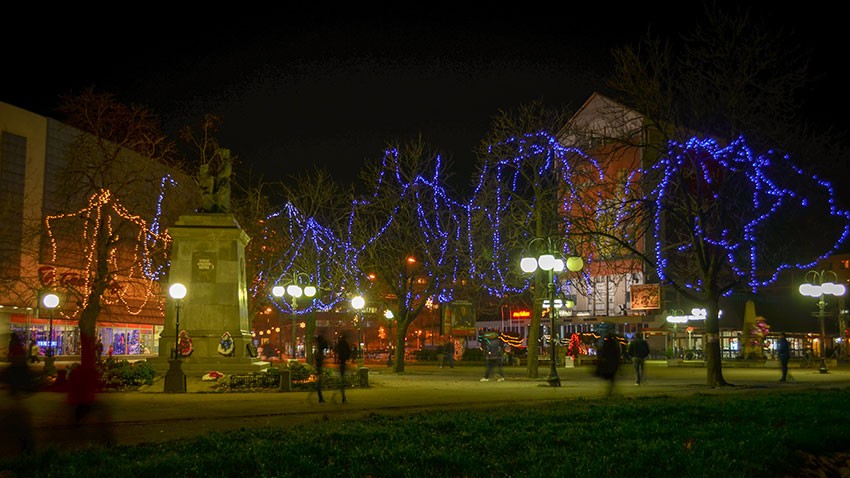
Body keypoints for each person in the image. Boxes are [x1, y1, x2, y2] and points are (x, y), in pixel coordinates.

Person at [596, 332, 621, 397]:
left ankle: (610, 391)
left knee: (610, 377)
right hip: (613, 362)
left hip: (607, 362)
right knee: (612, 377)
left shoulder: (606, 344)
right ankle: (611, 390)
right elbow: (617, 353)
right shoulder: (615, 344)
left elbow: (602, 353)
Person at [334, 333, 351, 403]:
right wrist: (347, 357)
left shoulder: (340, 343)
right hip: (343, 362)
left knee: (342, 378)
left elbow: (336, 349)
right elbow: (348, 352)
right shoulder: (345, 344)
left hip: (341, 361)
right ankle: (343, 396)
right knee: (343, 379)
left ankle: (343, 396)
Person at [314, 334, 328, 403]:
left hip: (318, 367)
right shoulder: (319, 352)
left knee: (319, 382)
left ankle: (320, 397)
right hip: (319, 368)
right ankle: (320, 397)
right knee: (319, 383)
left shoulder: (318, 350)